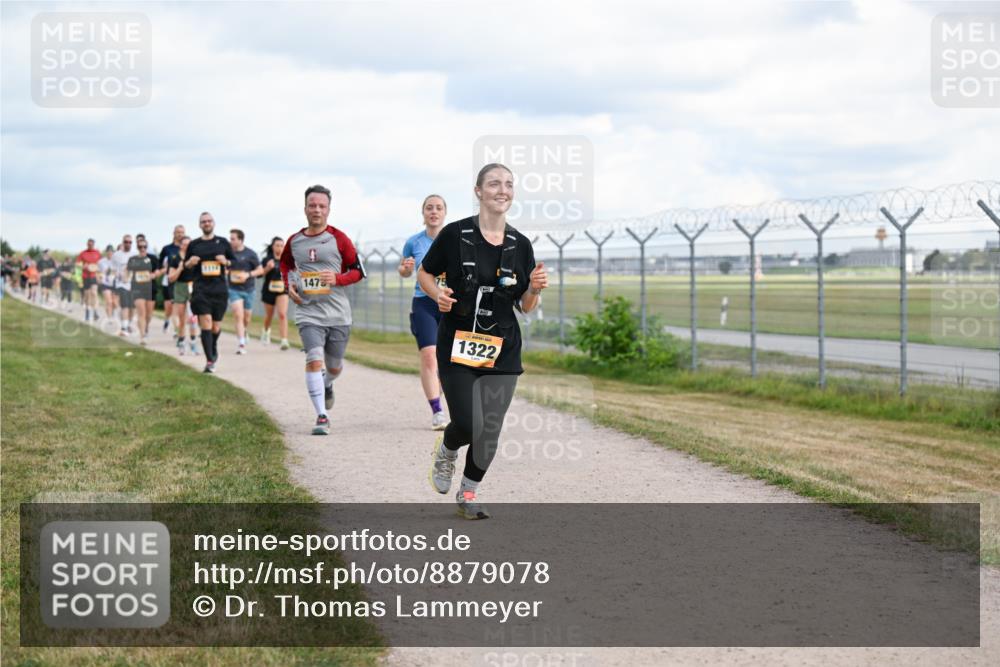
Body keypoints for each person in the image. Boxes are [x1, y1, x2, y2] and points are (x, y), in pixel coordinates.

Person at [418, 163, 548, 520]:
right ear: (478, 191)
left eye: (508, 184)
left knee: (490, 429)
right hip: (458, 343)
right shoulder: (454, 234)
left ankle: (468, 492)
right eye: (494, 184)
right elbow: (425, 273)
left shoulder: (520, 245)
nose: (502, 190)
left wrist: (534, 290)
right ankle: (447, 448)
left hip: (502, 347)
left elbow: (525, 305)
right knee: (468, 423)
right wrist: (437, 294)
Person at [280, 184, 365, 435]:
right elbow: (285, 265)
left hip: (338, 314)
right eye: (312, 205)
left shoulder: (339, 239)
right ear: (305, 208)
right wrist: (288, 285)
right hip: (308, 312)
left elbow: (358, 272)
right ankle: (321, 416)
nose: (316, 210)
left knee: (334, 366)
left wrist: (337, 279)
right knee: (313, 358)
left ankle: (327, 383)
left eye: (321, 206)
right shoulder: (294, 241)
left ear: (328, 209)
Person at [399, 194, 449, 431]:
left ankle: (444, 392)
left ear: (444, 213)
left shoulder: (455, 240)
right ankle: (437, 411)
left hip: (449, 303)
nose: (434, 212)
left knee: (448, 360)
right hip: (424, 304)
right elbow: (404, 271)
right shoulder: (414, 242)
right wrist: (405, 268)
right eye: (429, 208)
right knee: (429, 355)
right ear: (423, 213)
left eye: (438, 208)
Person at [185, 211, 235, 372]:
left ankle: (212, 345)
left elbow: (234, 262)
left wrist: (226, 261)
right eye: (203, 221)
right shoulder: (194, 245)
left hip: (219, 290)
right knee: (205, 321)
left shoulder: (223, 242)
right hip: (201, 289)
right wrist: (190, 262)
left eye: (209, 221)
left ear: (213, 223)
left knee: (215, 327)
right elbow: (185, 266)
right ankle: (209, 361)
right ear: (199, 225)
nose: (206, 223)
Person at [227, 228, 262, 355]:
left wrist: (248, 275)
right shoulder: (228, 253)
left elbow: (260, 270)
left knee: (246, 318)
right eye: (230, 239)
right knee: (238, 315)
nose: (230, 241)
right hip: (233, 289)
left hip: (249, 289)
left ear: (240, 240)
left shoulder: (250, 254)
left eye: (233, 239)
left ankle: (244, 330)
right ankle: (241, 343)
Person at [167, 236, 199, 355]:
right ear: (180, 245)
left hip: (193, 286)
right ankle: (181, 342)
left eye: (189, 244)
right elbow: (171, 278)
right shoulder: (175, 258)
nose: (187, 246)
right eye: (184, 244)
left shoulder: (195, 257)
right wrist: (180, 268)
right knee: (181, 317)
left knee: (193, 317)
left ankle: (193, 342)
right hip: (180, 287)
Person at [126, 239, 160, 345]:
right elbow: (127, 271)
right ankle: (142, 336)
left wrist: (154, 275)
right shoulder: (133, 259)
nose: (142, 249)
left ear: (147, 247)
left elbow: (159, 270)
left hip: (150, 288)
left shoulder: (153, 258)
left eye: (144, 247)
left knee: (148, 315)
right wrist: (125, 279)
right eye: (140, 247)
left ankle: (146, 327)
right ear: (137, 247)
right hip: (137, 288)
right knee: (141, 312)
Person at [260, 236, 290, 350]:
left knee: (282, 314)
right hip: (269, 290)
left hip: (282, 291)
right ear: (272, 247)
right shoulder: (267, 260)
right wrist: (268, 268)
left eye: (282, 246)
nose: (279, 248)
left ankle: (284, 340)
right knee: (269, 315)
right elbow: (260, 274)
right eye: (277, 245)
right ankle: (266, 331)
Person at [158, 225, 185, 334]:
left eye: (182, 232)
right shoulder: (167, 249)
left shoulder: (187, 248)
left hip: (183, 281)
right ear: (174, 233)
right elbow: (160, 264)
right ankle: (167, 320)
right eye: (178, 232)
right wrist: (163, 270)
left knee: (177, 306)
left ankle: (176, 330)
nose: (180, 234)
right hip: (170, 280)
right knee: (169, 305)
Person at [111, 235, 136, 336]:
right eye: (126, 242)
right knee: (125, 305)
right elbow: (113, 269)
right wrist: (119, 275)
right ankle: (124, 328)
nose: (128, 244)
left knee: (132, 307)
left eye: (130, 242)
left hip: (133, 284)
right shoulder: (116, 255)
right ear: (123, 242)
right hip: (121, 284)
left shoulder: (134, 254)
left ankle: (128, 324)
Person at [77, 238, 103, 322]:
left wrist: (100, 274)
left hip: (94, 276)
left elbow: (101, 264)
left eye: (91, 244)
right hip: (85, 276)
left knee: (94, 293)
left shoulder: (97, 253)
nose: (90, 245)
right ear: (87, 244)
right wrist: (83, 266)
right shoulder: (83, 253)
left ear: (93, 244)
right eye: (88, 244)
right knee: (87, 295)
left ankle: (95, 312)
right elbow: (78, 264)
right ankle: (87, 313)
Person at [98, 245, 117, 320]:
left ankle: (113, 313)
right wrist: (98, 279)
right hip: (105, 283)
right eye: (108, 251)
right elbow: (98, 271)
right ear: (106, 252)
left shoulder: (116, 261)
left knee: (114, 303)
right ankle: (109, 319)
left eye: (111, 251)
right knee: (109, 302)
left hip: (114, 283)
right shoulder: (101, 261)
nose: (110, 253)